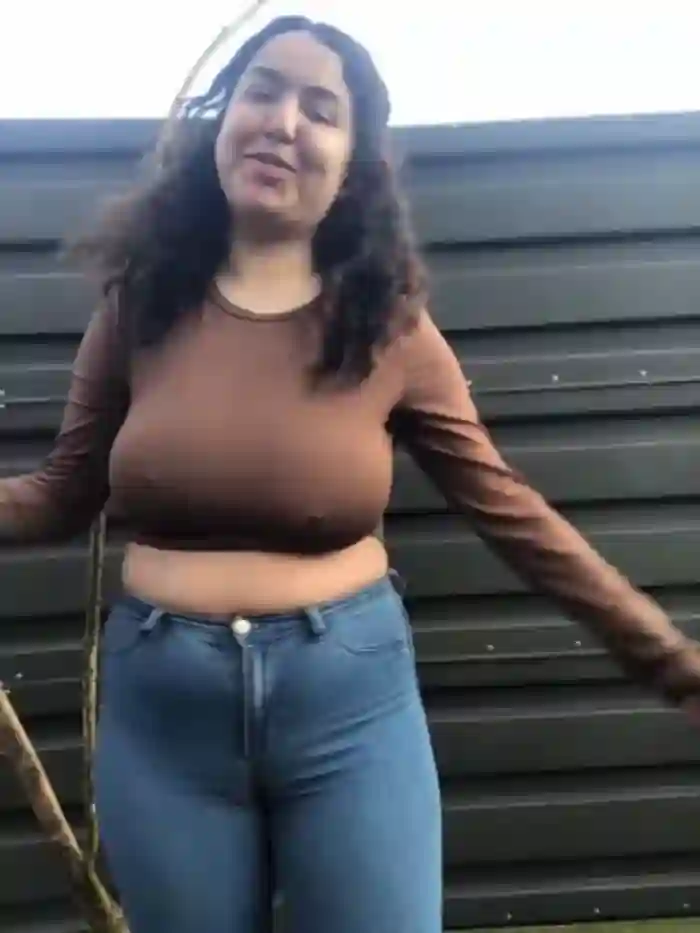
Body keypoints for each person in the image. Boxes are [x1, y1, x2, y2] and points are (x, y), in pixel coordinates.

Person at [1, 14, 699, 933]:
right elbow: (60, 493)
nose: (282, 121)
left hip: (345, 707)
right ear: (224, 120)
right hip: (164, 716)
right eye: (261, 91)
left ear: (352, 165)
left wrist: (675, 662)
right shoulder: (140, 308)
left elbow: (509, 510)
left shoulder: (388, 330)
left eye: (320, 109)